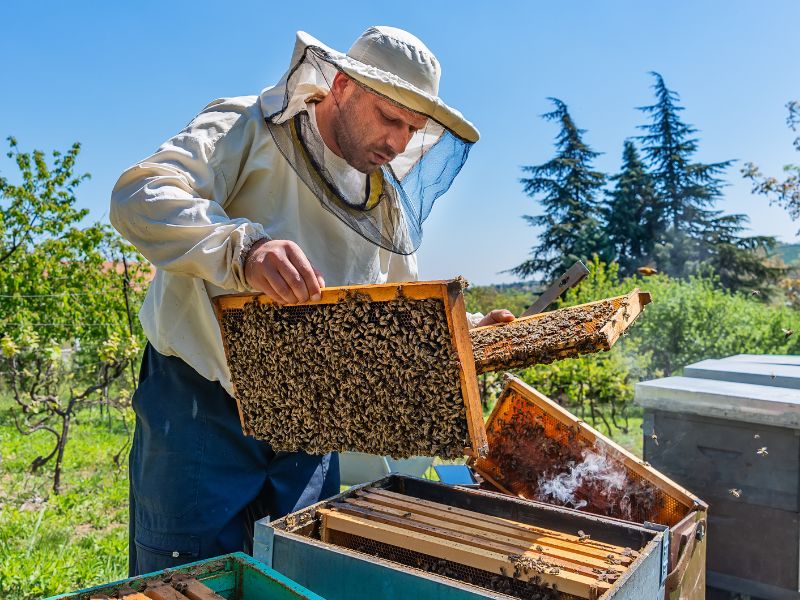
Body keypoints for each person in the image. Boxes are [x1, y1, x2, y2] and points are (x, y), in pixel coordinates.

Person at [110, 25, 514, 576]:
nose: (397, 142)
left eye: (412, 129)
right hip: (200, 411)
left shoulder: (383, 201)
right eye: (388, 118)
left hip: (311, 428)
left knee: (293, 577)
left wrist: (459, 339)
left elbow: (397, 315)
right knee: (184, 581)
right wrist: (244, 249)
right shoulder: (246, 125)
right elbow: (140, 195)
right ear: (341, 85)